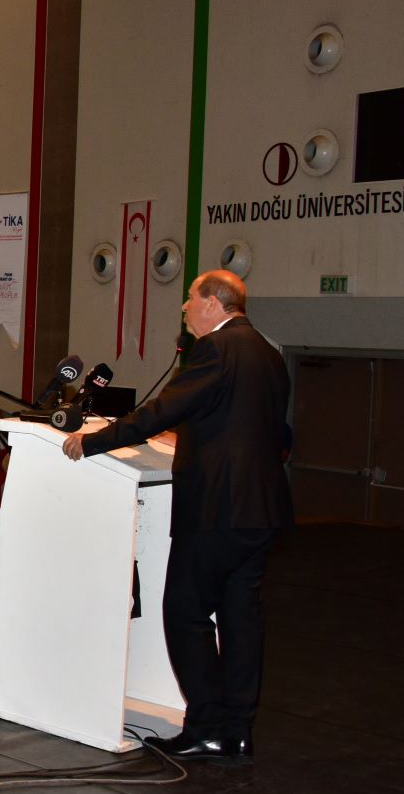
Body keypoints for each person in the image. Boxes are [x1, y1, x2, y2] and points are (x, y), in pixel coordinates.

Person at [63, 270, 290, 761]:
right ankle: (238, 731)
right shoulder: (270, 354)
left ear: (213, 303)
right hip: (261, 509)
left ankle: (205, 725)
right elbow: (270, 431)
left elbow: (161, 411)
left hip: (216, 507)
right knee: (241, 619)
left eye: (190, 298)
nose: (184, 307)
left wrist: (93, 441)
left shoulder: (215, 349)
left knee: (185, 611)